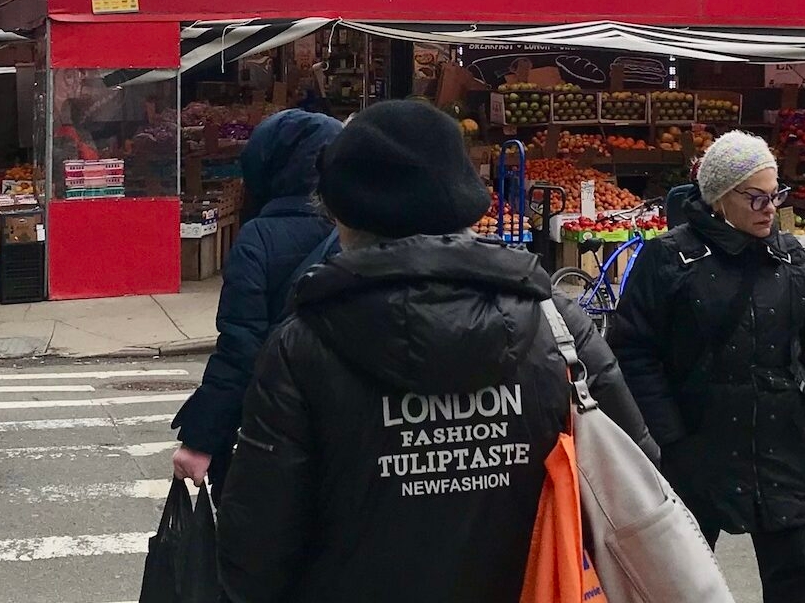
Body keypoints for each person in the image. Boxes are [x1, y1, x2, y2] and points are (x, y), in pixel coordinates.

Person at [218, 100, 655, 603]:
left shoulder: (302, 345)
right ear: (465, 200)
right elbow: (635, 474)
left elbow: (257, 542)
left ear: (340, 213)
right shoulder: (556, 323)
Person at [608, 131, 805, 603]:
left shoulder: (789, 256)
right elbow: (634, 354)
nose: (769, 208)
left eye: (775, 195)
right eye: (756, 197)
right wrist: (671, 440)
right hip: (702, 450)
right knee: (686, 582)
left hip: (786, 445)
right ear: (720, 198)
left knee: (793, 583)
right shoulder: (669, 259)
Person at [170, 109, 344, 494]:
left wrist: (201, 439)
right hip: (349, 433)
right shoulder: (357, 230)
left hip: (277, 429)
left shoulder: (258, 239)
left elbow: (240, 349)